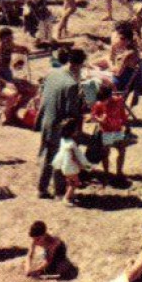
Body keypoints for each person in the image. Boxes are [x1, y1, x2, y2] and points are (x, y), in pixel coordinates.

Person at [36, 48, 84, 200]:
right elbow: (72, 112)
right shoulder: (71, 84)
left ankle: (42, 188)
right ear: (78, 65)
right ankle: (59, 192)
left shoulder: (52, 73)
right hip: (59, 126)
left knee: (48, 156)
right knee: (60, 158)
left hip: (46, 121)